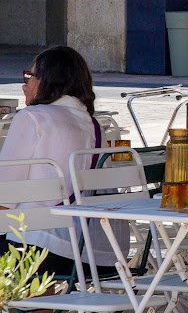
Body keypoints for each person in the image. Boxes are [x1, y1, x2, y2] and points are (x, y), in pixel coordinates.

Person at [0, 45, 114, 278]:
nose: (25, 84)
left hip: (34, 248)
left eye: (29, 77)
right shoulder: (95, 126)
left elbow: (4, 197)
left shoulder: (31, 118)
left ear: (46, 80)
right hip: (93, 253)